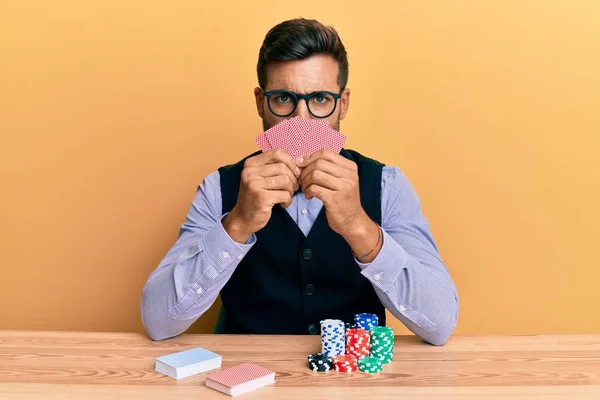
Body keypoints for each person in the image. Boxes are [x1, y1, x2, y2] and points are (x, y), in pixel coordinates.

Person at [140, 18, 459, 345]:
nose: (301, 121)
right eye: (283, 99)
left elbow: (440, 324)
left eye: (320, 99)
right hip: (247, 383)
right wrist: (236, 225)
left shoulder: (387, 185)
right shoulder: (217, 189)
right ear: (261, 102)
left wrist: (358, 226)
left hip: (352, 384)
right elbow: (158, 321)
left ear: (343, 103)